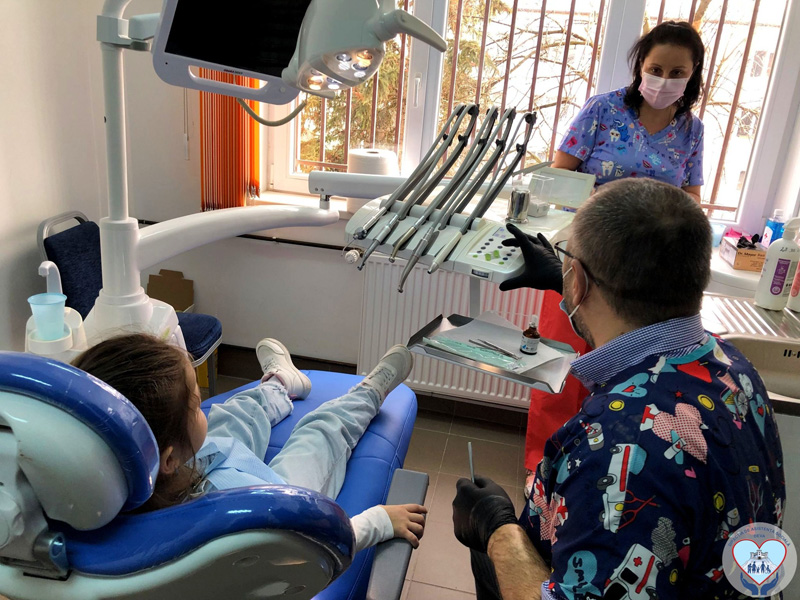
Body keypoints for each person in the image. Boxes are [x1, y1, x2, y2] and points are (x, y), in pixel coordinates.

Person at [453, 178, 784, 599]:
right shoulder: (735, 366)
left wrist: (497, 528)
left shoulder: (613, 450)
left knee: (490, 550)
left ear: (580, 282)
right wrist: (567, 279)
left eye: (566, 261)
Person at [506, 20, 707, 490]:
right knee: (560, 364)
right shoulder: (603, 109)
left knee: (624, 376)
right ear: (640, 67)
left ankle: (594, 475)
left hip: (644, 275)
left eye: (677, 72)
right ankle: (542, 473)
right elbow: (559, 179)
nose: (664, 80)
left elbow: (691, 199)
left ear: (693, 75)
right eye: (656, 69)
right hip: (581, 255)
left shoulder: (691, 131)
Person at [72, 334, 426, 552]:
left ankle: (279, 384)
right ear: (167, 458)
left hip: (200, 469)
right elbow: (311, 536)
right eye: (196, 402)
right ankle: (369, 392)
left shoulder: (87, 491)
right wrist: (379, 522)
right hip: (272, 492)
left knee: (233, 414)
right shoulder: (224, 525)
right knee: (320, 433)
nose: (201, 405)